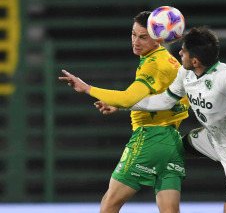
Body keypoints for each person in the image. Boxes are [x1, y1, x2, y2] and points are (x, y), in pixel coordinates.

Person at [113, 26, 226, 213]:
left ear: (196, 60)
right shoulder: (186, 73)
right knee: (170, 149)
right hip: (213, 139)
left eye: (183, 50)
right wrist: (121, 104)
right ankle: (165, 191)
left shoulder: (223, 77)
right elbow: (165, 100)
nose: (180, 52)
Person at [59, 11, 189, 213]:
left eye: (143, 37)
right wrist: (122, 106)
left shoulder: (153, 65)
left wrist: (87, 88)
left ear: (158, 38)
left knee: (109, 203)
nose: (136, 41)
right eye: (133, 34)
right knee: (170, 210)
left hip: (149, 138)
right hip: (172, 142)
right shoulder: (170, 60)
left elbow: (129, 97)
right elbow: (171, 102)